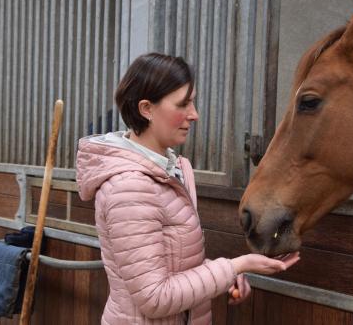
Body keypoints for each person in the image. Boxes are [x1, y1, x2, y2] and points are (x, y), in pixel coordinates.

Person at [76, 52, 299, 325]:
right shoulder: (130, 188)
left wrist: (225, 275)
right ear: (146, 109)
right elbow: (154, 298)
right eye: (183, 104)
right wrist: (235, 266)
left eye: (192, 102)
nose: (194, 115)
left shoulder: (170, 170)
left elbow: (174, 267)